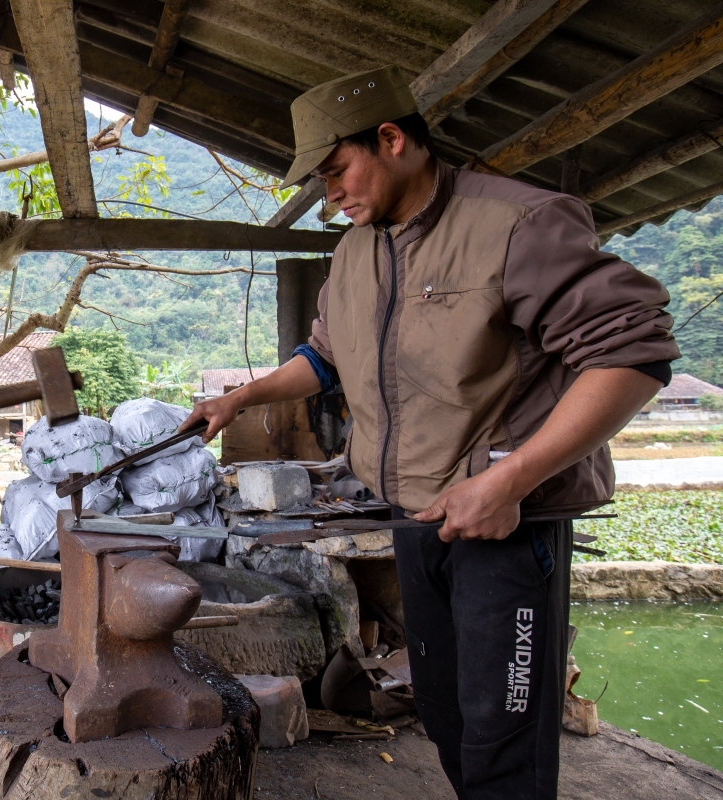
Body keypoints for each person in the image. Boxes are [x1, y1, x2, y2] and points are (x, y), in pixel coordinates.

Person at [184, 65, 679, 799]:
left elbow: (632, 351)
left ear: (392, 139)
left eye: (336, 171)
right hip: (414, 516)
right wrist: (244, 397)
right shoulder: (356, 251)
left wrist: (510, 480)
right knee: (446, 714)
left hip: (507, 524)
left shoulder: (516, 222)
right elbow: (325, 357)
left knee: (504, 734)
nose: (332, 195)